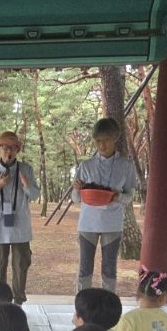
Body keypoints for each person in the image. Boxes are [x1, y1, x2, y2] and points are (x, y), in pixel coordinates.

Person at [71, 118, 137, 294]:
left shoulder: (126, 165)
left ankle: (108, 303)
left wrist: (117, 196)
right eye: (98, 141)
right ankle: (82, 302)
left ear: (114, 139)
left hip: (112, 223)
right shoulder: (86, 165)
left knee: (109, 268)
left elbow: (129, 196)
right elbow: (76, 199)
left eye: (106, 140)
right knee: (85, 267)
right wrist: (76, 189)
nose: (101, 145)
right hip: (88, 223)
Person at [0, 131, 39, 305]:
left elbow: (35, 196)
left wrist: (27, 185)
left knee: (21, 266)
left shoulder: (26, 169)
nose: (8, 151)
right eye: (4, 147)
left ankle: (18, 303)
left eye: (12, 147)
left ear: (17, 150)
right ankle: (0, 304)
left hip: (21, 228)